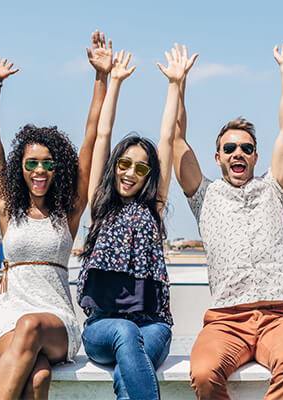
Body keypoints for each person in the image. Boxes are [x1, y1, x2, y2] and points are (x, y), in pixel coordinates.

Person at [175, 43, 283, 400]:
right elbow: (176, 141)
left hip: (276, 317)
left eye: (246, 148)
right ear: (217, 157)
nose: (239, 153)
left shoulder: (273, 189)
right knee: (204, 374)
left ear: (255, 156)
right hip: (225, 320)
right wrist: (179, 84)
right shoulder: (203, 194)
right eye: (230, 148)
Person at [0, 31, 112, 400]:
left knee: (32, 326)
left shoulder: (66, 213)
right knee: (38, 379)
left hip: (54, 319)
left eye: (47, 163)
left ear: (58, 168)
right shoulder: (9, 210)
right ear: (20, 168)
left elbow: (91, 139)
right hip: (8, 317)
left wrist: (100, 78)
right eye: (31, 163)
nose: (39, 170)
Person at [76, 43, 197, 400]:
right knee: (125, 335)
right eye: (125, 164)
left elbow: (166, 138)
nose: (131, 173)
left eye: (141, 168)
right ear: (115, 166)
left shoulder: (153, 208)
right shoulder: (100, 205)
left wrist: (175, 85)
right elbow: (102, 134)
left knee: (129, 367)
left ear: (149, 175)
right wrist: (114, 82)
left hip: (155, 326)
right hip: (102, 327)